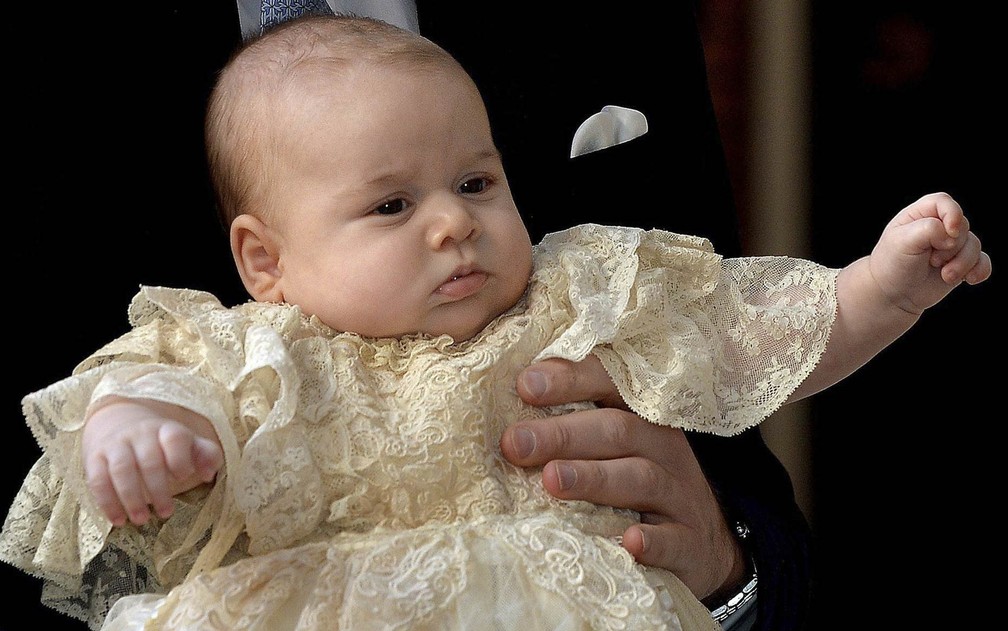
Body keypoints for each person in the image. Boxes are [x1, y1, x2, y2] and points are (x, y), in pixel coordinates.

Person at [0, 14, 990, 631]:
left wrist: (880, 287)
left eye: (477, 181)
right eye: (392, 207)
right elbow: (149, 380)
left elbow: (749, 334)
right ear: (266, 261)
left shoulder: (569, 294)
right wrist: (143, 431)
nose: (454, 223)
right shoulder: (260, 344)